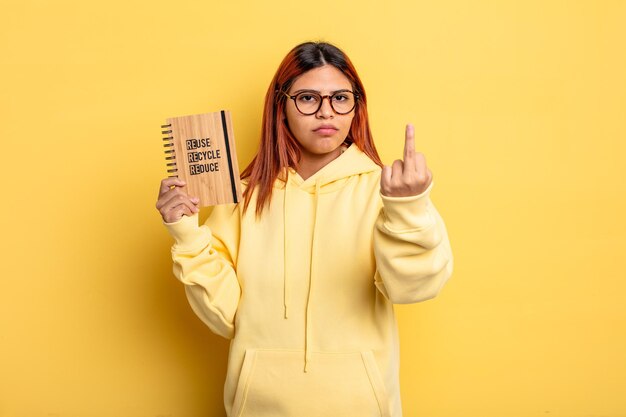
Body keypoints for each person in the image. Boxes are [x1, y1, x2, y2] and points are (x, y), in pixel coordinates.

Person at [156, 41, 453, 417]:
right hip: (259, 408)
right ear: (281, 105)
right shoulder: (245, 195)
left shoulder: (387, 190)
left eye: (340, 98)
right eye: (308, 98)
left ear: (356, 106)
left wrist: (408, 208)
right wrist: (185, 232)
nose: (326, 111)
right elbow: (226, 316)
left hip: (359, 407)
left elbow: (415, 287)